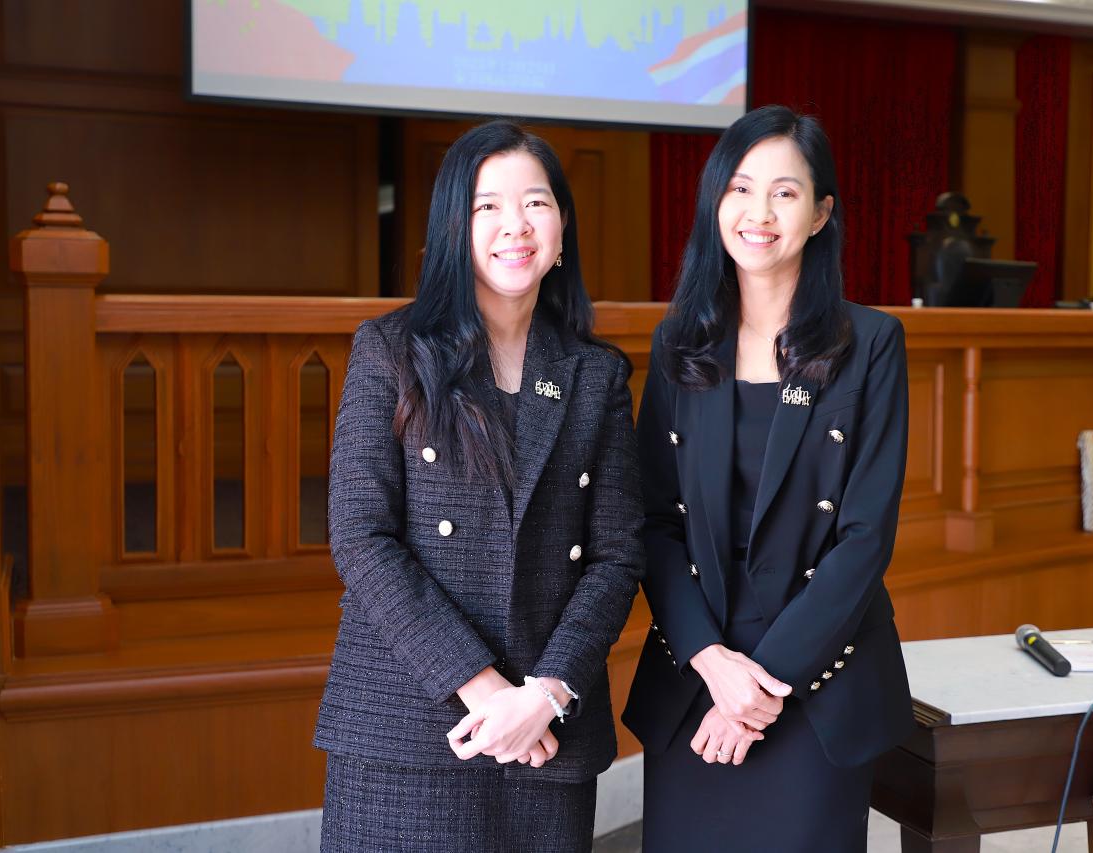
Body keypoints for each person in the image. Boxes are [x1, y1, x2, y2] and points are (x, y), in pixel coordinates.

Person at [314, 120, 643, 853]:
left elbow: (617, 555)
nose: (514, 225)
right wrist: (485, 688)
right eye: (487, 206)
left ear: (562, 228)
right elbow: (361, 536)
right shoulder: (392, 350)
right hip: (410, 728)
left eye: (536, 203)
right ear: (453, 229)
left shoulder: (597, 374)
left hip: (547, 736)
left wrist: (546, 692)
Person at [623, 105, 914, 852]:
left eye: (785, 193)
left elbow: (865, 536)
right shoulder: (680, 342)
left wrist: (760, 687)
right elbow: (653, 520)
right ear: (715, 203)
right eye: (741, 189)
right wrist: (711, 663)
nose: (759, 213)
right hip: (697, 672)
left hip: (815, 678)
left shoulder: (870, 342)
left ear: (820, 214)